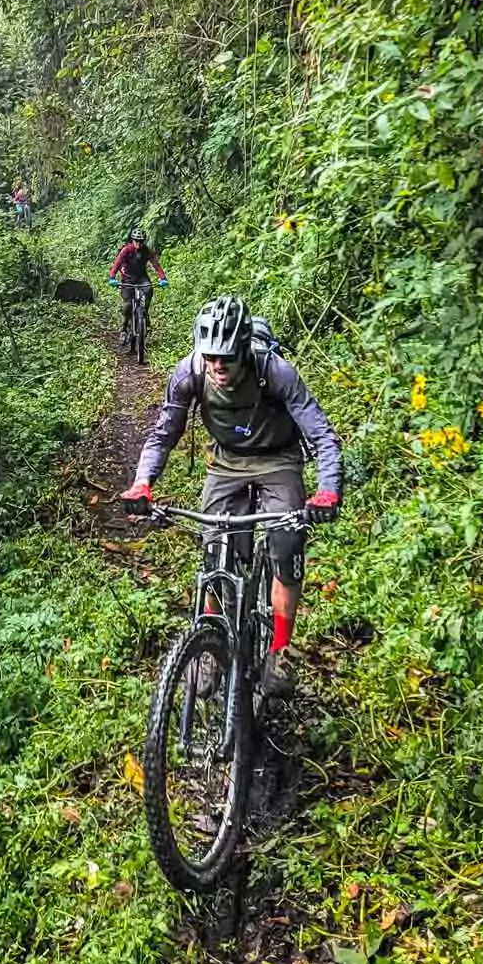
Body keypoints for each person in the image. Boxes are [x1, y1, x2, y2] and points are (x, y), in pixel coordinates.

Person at [119, 294, 342, 696]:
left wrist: (327, 490)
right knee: (214, 549)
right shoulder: (191, 372)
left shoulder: (276, 372)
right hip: (226, 462)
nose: (218, 365)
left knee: (286, 541)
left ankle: (279, 647)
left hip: (278, 460)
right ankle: (210, 645)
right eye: (210, 356)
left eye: (227, 357)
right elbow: (163, 433)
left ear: (244, 350)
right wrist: (142, 481)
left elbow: (321, 434)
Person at [108, 226, 167, 343]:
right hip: (128, 279)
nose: (138, 244)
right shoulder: (127, 250)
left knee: (149, 289)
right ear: (132, 240)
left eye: (141, 241)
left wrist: (162, 278)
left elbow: (156, 264)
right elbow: (116, 264)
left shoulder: (146, 250)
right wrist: (112, 277)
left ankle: (145, 314)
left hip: (142, 278)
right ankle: (124, 329)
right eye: (136, 241)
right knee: (127, 306)